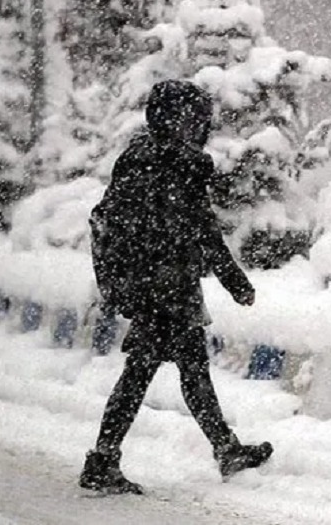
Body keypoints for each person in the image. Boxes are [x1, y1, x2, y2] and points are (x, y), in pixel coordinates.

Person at [80, 80, 272, 495]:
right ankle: (103, 458)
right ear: (176, 118)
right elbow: (202, 228)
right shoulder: (175, 164)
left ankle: (223, 449)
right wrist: (235, 280)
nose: (199, 125)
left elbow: (140, 223)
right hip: (165, 289)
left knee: (183, 369)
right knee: (152, 373)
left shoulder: (139, 158)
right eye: (194, 117)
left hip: (152, 286)